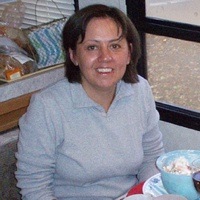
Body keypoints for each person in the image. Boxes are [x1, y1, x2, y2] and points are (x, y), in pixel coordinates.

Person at [15, 4, 165, 200]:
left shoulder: (139, 91)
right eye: (92, 47)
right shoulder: (47, 106)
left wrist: (151, 195)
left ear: (129, 52)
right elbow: (34, 185)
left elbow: (152, 158)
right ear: (74, 56)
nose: (105, 57)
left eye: (114, 46)